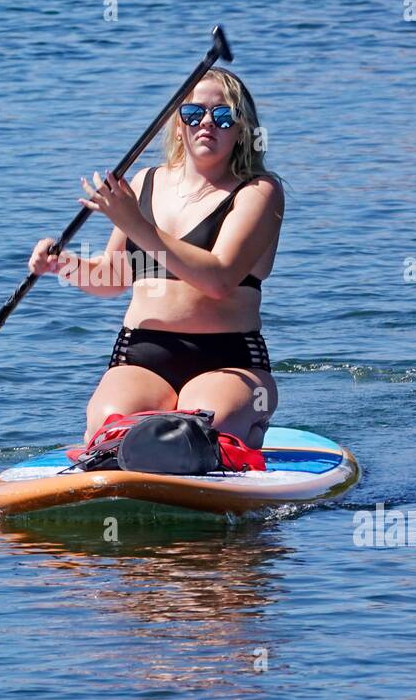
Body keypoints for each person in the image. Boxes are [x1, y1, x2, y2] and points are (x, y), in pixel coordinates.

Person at [28, 67, 285, 447]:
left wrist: (136, 223)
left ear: (243, 127)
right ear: (178, 124)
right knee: (109, 432)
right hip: (140, 354)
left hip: (230, 359)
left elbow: (218, 279)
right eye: (193, 114)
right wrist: (62, 264)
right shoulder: (145, 182)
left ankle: (247, 427)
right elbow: (111, 278)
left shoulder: (259, 192)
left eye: (223, 115)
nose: (207, 123)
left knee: (196, 434)